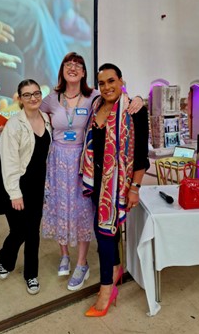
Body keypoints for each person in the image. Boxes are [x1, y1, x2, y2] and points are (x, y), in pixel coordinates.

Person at [36, 52, 143, 291]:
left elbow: (120, 98)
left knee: (83, 209)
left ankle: (82, 263)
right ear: (62, 70)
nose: (73, 68)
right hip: (57, 159)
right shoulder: (51, 98)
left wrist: (139, 98)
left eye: (78, 65)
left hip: (84, 161)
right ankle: (64, 254)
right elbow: (32, 112)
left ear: (84, 72)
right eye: (68, 64)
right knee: (59, 206)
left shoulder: (94, 95)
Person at [81, 63, 149, 317]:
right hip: (96, 179)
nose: (107, 87)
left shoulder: (134, 110)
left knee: (106, 234)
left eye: (111, 81)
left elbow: (141, 156)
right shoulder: (96, 105)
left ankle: (106, 290)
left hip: (118, 183)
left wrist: (135, 187)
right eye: (102, 83)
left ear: (122, 81)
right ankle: (116, 268)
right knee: (102, 234)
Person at [0, 79, 52, 295]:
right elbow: (9, 162)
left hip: (38, 186)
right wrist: (15, 193)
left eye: (36, 93)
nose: (33, 98)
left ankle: (31, 275)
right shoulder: (13, 125)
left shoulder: (47, 119)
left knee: (33, 233)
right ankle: (5, 259)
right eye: (27, 95)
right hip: (17, 185)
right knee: (19, 231)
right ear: (20, 99)